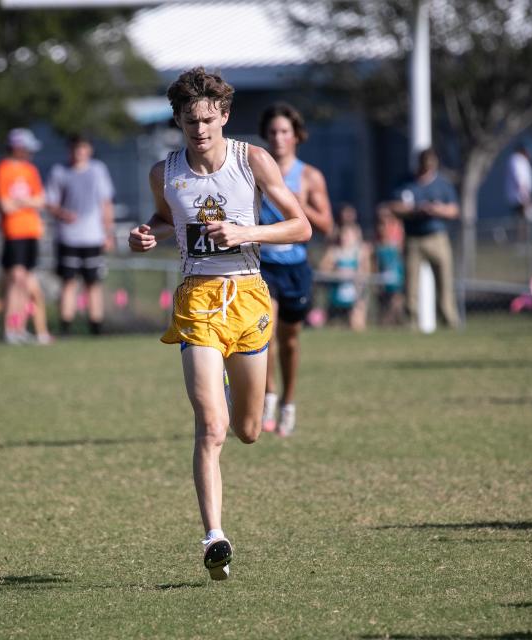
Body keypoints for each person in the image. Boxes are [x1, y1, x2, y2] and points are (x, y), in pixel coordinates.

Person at [128, 67, 311, 580]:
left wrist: (243, 230)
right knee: (211, 427)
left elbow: (302, 225)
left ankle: (231, 393)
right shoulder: (165, 172)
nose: (201, 131)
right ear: (178, 122)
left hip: (249, 296)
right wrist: (148, 235)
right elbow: (164, 219)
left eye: (208, 120)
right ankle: (215, 537)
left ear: (225, 116)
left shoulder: (252, 161)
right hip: (197, 300)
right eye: (190, 123)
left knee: (248, 431)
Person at [256, 103, 333, 437]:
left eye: (284, 131)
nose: (278, 138)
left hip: (296, 267)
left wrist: (296, 203)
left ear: (296, 136)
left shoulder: (309, 176)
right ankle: (268, 396)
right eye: (272, 132)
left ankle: (288, 402)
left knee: (289, 340)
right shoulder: (255, 169)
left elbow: (326, 224)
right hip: (262, 264)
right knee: (266, 333)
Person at [46, 135, 115, 336]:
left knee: (93, 282)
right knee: (68, 283)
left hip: (93, 236)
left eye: (83, 147)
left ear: (89, 150)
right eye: (75, 148)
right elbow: (50, 202)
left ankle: (96, 327)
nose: (79, 152)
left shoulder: (97, 170)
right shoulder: (60, 171)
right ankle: (66, 327)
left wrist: (108, 232)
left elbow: (106, 203)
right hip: (68, 236)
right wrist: (62, 214)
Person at [385, 148, 460, 329]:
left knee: (445, 282)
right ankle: (411, 322)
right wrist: (416, 209)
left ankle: (449, 321)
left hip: (437, 237)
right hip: (413, 239)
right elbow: (392, 206)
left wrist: (437, 210)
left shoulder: (442, 184)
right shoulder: (406, 182)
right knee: (410, 285)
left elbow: (454, 210)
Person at [0, 128, 52, 345]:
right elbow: (5, 206)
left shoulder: (30, 170)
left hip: (31, 231)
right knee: (15, 279)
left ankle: (19, 328)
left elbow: (40, 200)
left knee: (25, 282)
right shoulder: (3, 169)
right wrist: (27, 201)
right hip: (13, 232)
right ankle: (11, 328)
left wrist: (21, 201)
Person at [318, 204, 369, 331]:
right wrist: (336, 272)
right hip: (336, 292)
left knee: (357, 321)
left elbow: (366, 271)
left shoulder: (361, 252)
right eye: (344, 235)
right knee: (331, 324)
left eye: (349, 236)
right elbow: (323, 268)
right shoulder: (334, 251)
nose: (346, 238)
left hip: (355, 291)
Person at [374, 210, 406, 326]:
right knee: (384, 302)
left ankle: (396, 322)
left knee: (396, 301)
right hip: (384, 275)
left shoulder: (398, 230)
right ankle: (386, 323)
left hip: (396, 274)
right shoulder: (379, 239)